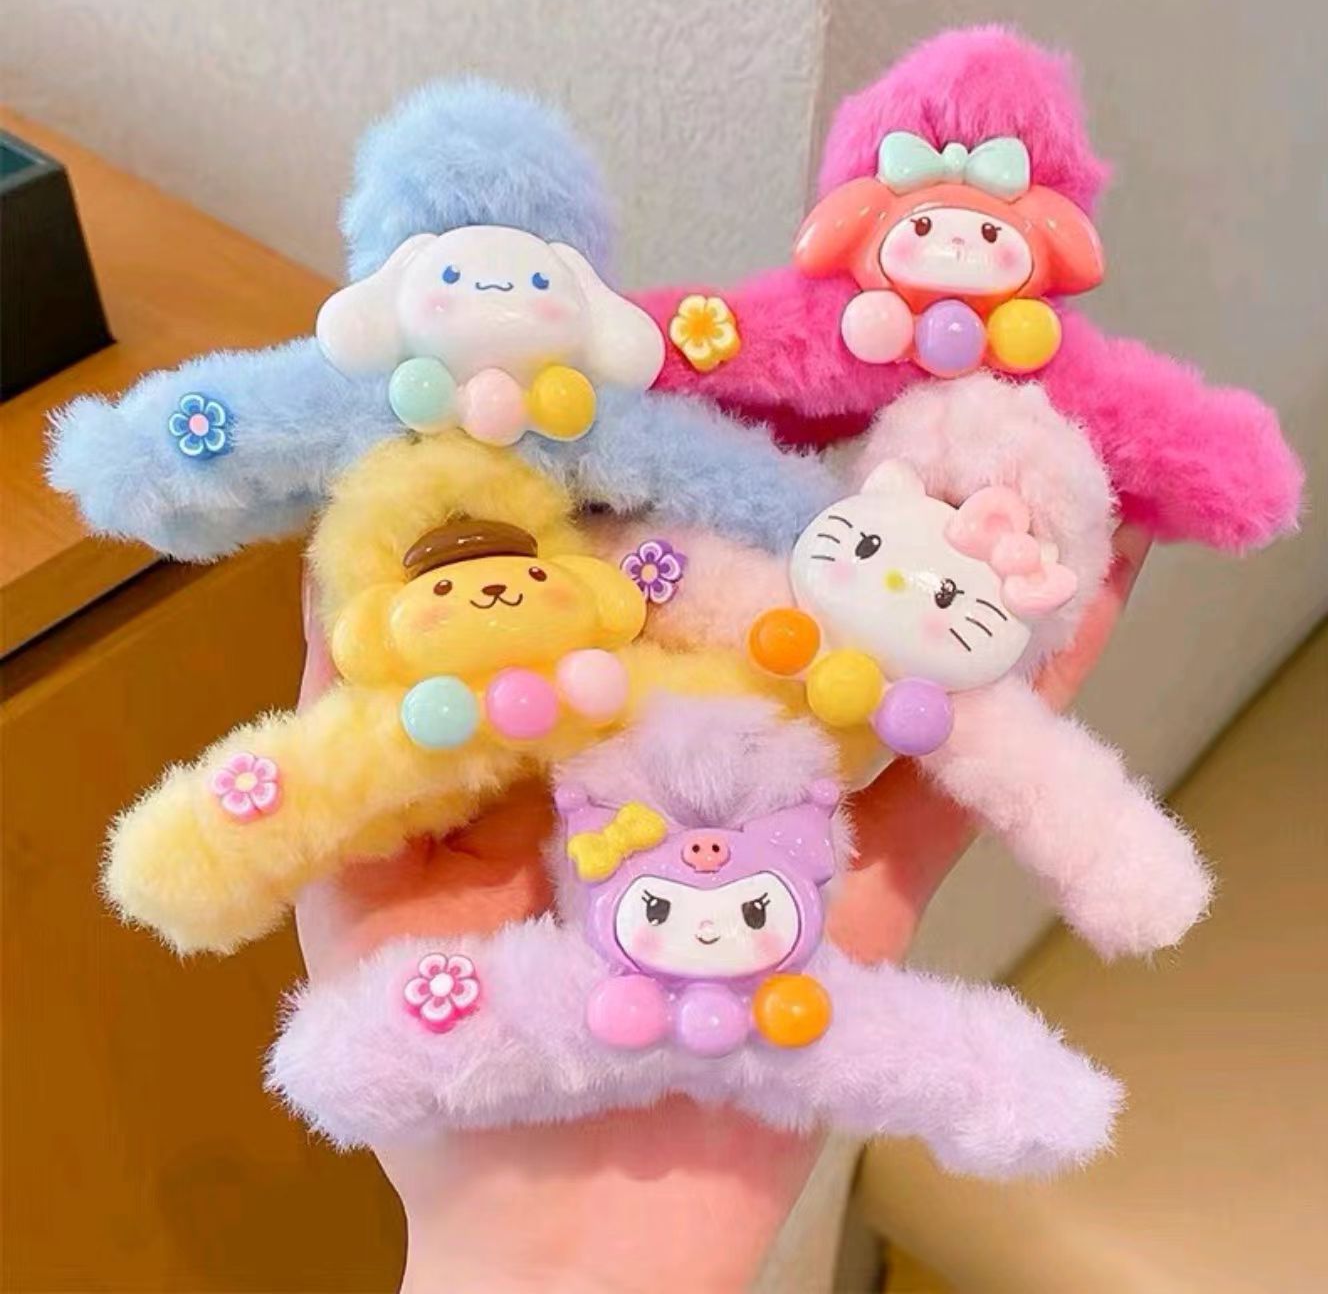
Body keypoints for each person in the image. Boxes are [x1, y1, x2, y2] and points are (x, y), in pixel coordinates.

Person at [293, 528, 1150, 1293]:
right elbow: (951, 1055)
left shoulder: (634, 997)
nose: (705, 863)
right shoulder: (626, 991)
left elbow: (387, 1041)